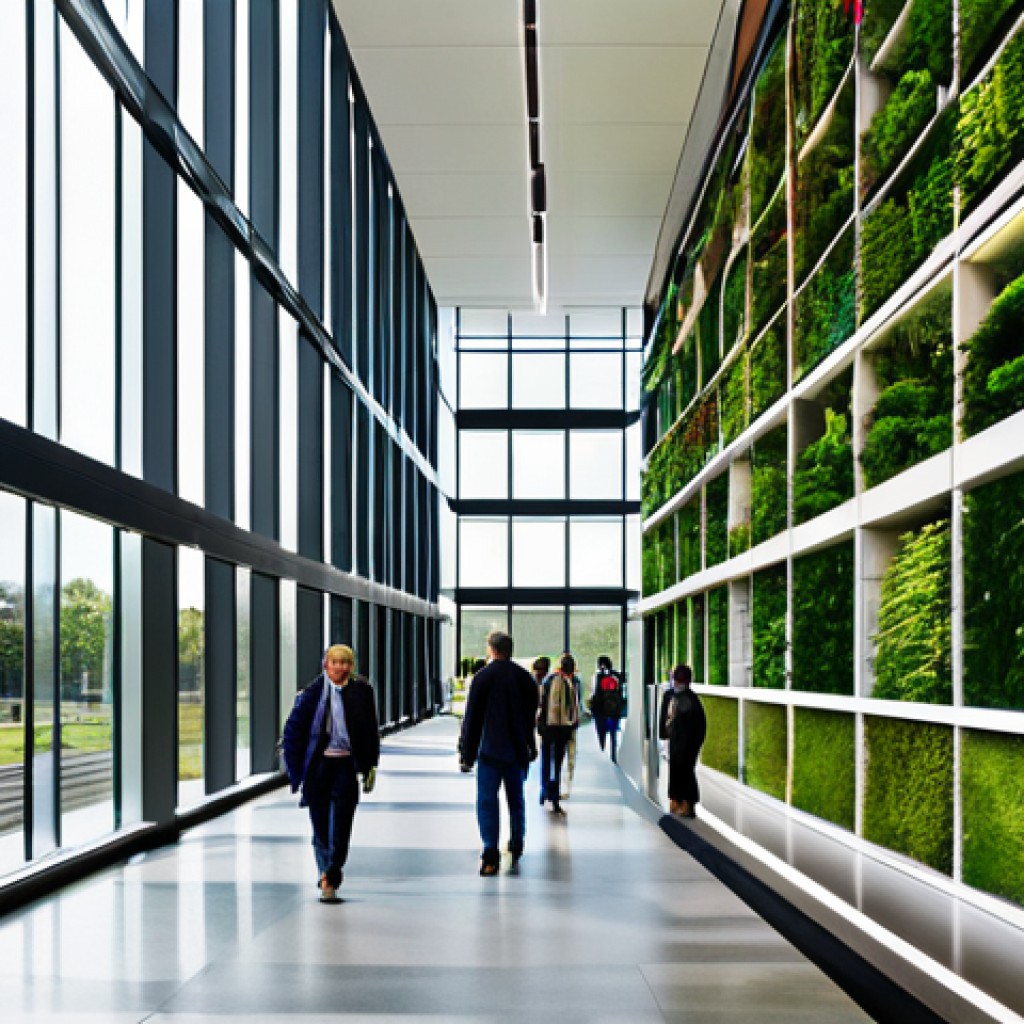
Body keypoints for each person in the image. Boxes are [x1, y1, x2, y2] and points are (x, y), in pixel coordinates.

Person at [281, 644, 380, 902]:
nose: (341, 667)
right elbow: (293, 733)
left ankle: (333, 867)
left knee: (343, 823)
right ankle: (327, 873)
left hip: (346, 766)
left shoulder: (362, 692)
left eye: (346, 663)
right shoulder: (311, 695)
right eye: (335, 663)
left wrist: (370, 765)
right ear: (326, 664)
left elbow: (371, 731)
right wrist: (296, 773)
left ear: (352, 666)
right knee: (320, 823)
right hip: (319, 767)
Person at [459, 631, 539, 875]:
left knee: (487, 802)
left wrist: (466, 752)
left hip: (489, 752)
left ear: (491, 650)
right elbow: (530, 719)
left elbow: (472, 719)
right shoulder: (525, 678)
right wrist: (531, 746)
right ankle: (516, 845)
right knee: (516, 801)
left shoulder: (482, 678)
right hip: (516, 752)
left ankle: (490, 853)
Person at [658, 664, 707, 818]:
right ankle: (680, 800)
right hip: (681, 739)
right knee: (680, 768)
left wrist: (665, 733)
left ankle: (684, 801)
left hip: (685, 740)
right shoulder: (682, 697)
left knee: (683, 768)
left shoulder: (682, 698)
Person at [538, 653, 581, 815]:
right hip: (559, 728)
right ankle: (552, 795)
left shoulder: (551, 679)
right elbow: (565, 708)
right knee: (556, 762)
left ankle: (546, 791)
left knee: (548, 761)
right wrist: (570, 725)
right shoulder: (565, 681)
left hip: (549, 728)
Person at [589, 655, 627, 763]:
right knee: (613, 733)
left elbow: (596, 693)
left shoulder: (598, 676)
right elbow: (621, 693)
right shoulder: (617, 675)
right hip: (615, 709)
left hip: (601, 710)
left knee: (601, 731)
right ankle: (613, 755)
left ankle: (602, 750)